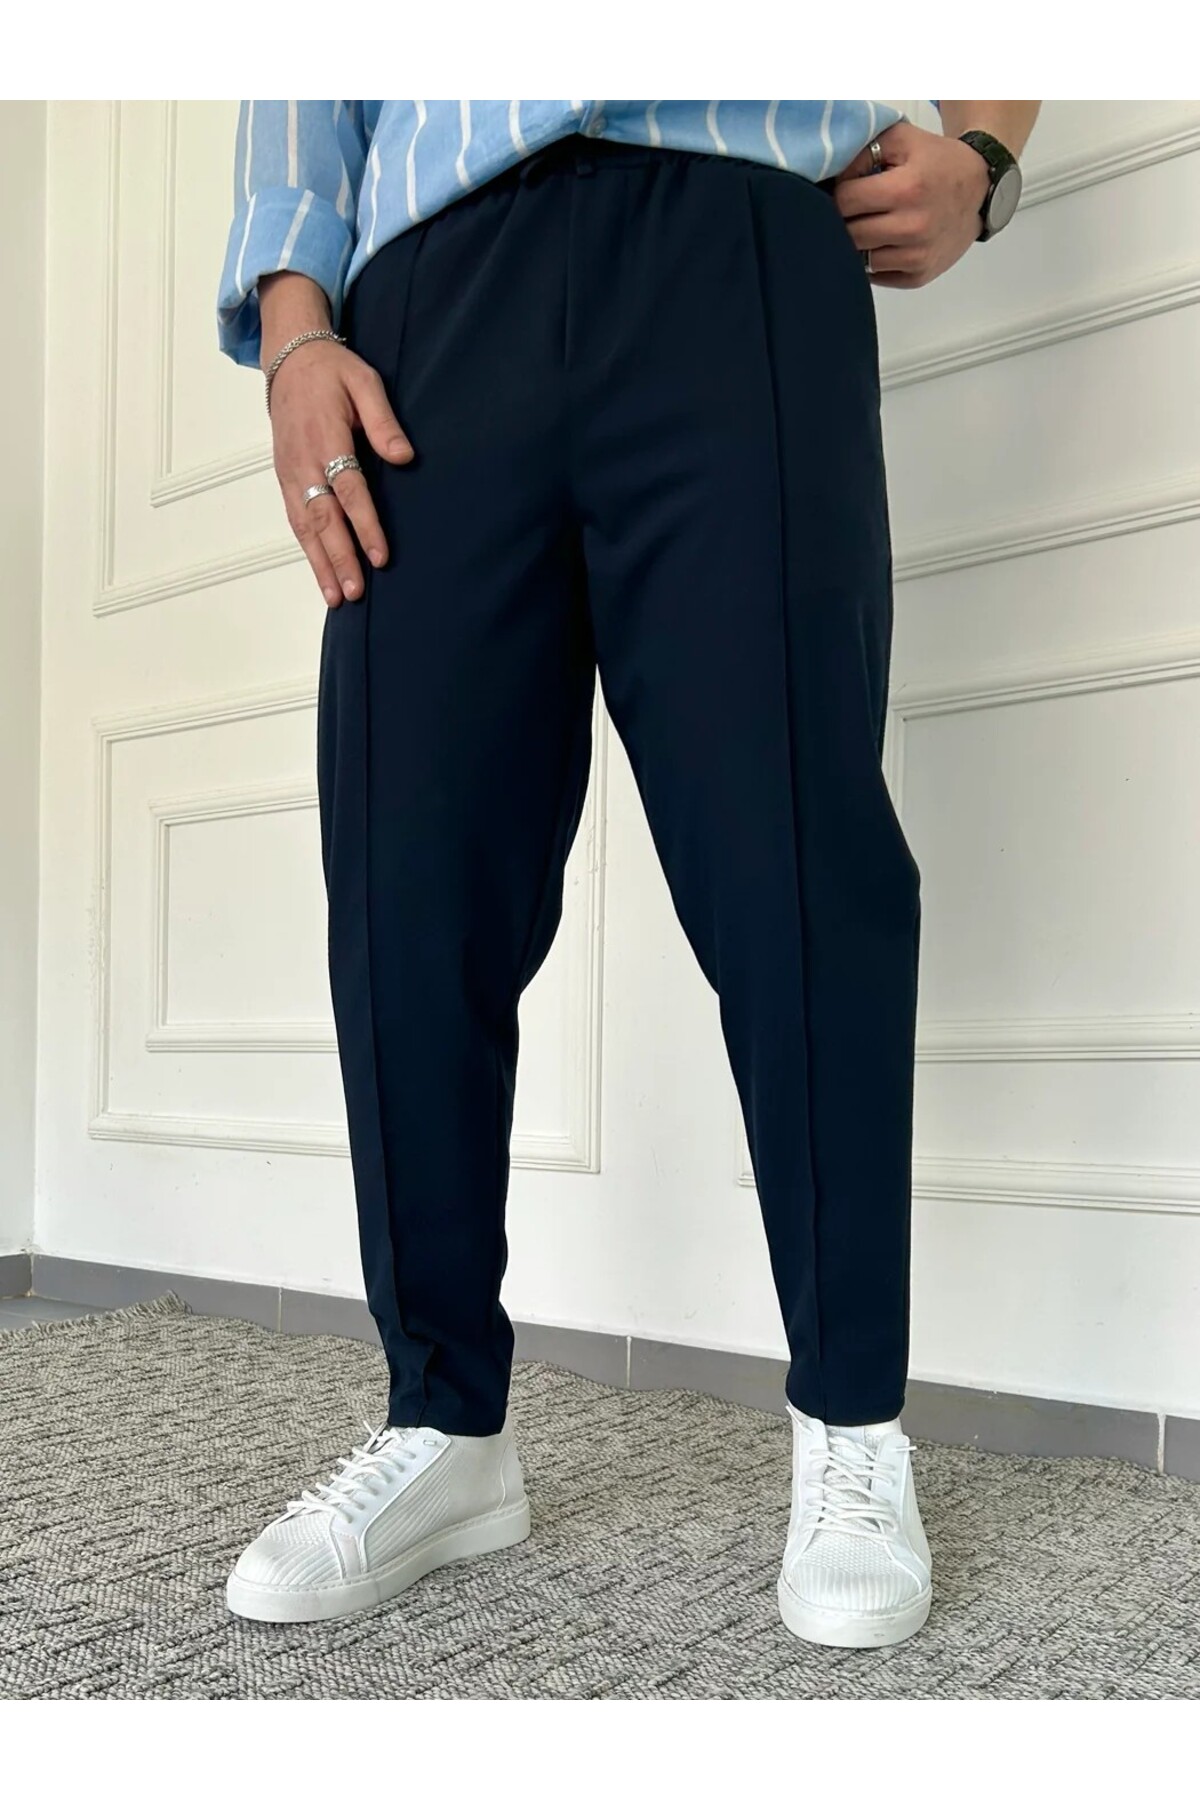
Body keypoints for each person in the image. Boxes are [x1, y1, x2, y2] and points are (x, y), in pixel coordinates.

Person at [215, 99, 1040, 1649]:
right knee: (413, 876)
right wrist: (294, 330)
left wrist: (987, 155)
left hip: (740, 232)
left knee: (792, 860)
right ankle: (443, 1421)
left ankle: (852, 1423)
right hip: (429, 298)